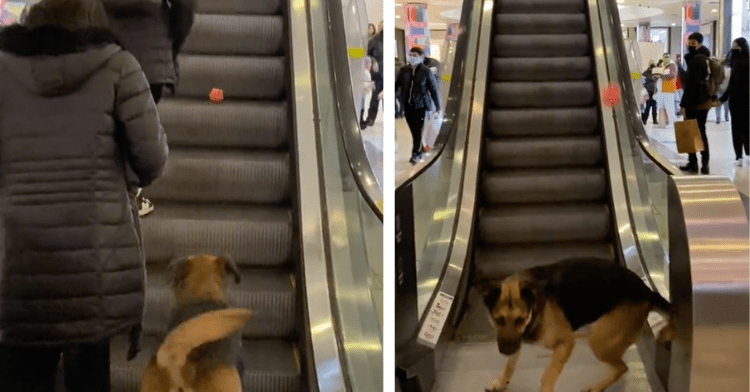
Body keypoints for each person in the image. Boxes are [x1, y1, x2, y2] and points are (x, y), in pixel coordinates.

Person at [0, 0, 168, 391]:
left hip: (17, 265)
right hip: (97, 263)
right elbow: (152, 161)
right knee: (89, 377)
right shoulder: (118, 66)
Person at [102, 0, 195, 216]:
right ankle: (130, 195)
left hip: (105, 53)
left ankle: (109, 196)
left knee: (105, 130)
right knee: (139, 134)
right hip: (150, 61)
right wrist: (170, 46)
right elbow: (185, 9)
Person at [396, 47, 441, 164]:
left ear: (421, 57)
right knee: (414, 130)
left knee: (418, 130)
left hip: (420, 105)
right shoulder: (404, 70)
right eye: (410, 54)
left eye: (415, 55)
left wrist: (438, 107)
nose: (411, 57)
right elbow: (397, 85)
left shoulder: (426, 71)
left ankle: (416, 154)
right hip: (407, 105)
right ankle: (419, 146)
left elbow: (433, 89)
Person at [679, 32, 713, 174]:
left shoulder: (696, 60)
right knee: (701, 131)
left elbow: (691, 84)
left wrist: (683, 105)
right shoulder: (706, 58)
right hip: (704, 102)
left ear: (699, 42)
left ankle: (694, 162)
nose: (689, 44)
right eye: (688, 41)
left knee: (690, 131)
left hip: (694, 102)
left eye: (692, 42)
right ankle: (704, 163)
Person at [716, 37, 749, 166]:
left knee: (736, 127)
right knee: (747, 126)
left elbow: (733, 84)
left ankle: (739, 156)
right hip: (747, 98)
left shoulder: (737, 63)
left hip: (736, 99)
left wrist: (723, 99)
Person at [364, 20, 383, 128]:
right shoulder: (373, 41)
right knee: (375, 97)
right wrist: (373, 61)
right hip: (377, 74)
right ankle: (371, 118)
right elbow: (366, 54)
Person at [656, 53, 677, 127]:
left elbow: (672, 75)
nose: (666, 58)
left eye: (667, 57)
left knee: (670, 107)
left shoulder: (672, 65)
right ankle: (662, 122)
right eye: (664, 57)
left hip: (669, 89)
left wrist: (662, 76)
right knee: (660, 107)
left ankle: (672, 123)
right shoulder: (662, 65)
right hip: (661, 90)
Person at [641, 60, 658, 125]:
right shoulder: (645, 73)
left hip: (654, 92)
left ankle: (654, 120)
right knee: (647, 107)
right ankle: (644, 120)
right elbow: (642, 82)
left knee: (654, 107)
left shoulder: (656, 73)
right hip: (647, 92)